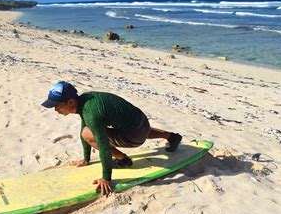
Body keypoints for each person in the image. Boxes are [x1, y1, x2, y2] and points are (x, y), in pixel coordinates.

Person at [42, 81, 183, 196]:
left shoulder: (91, 113)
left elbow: (102, 144)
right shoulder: (86, 100)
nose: (55, 110)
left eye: (57, 106)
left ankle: (124, 160)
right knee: (98, 129)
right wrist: (86, 159)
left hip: (135, 135)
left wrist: (106, 178)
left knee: (88, 134)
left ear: (71, 102)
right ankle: (172, 137)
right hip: (142, 123)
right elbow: (84, 126)